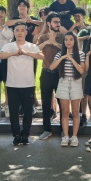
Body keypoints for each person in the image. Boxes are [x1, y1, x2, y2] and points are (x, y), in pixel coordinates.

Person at [0, 22, 45, 145]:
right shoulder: (9, 46)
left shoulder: (31, 46)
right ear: (14, 32)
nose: (19, 32)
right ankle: (16, 135)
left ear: (26, 32)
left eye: (22, 30)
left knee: (28, 112)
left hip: (28, 84)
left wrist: (26, 53)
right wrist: (13, 53)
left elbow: (41, 56)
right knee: (13, 112)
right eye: (17, 30)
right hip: (12, 84)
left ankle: (25, 134)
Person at [50, 32, 85, 147]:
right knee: (65, 112)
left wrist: (71, 58)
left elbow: (81, 70)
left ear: (75, 41)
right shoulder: (60, 54)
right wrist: (63, 57)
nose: (68, 42)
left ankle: (74, 136)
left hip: (76, 83)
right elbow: (52, 67)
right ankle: (65, 136)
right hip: (63, 83)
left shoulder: (80, 54)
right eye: (66, 40)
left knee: (75, 112)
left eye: (71, 39)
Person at [36, 12, 63, 140]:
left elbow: (68, 50)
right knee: (46, 103)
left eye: (59, 22)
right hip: (46, 73)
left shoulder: (63, 37)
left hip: (60, 74)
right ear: (48, 23)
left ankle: (64, 130)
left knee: (62, 103)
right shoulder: (43, 37)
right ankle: (47, 129)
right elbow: (35, 50)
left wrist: (55, 43)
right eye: (55, 22)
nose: (58, 24)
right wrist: (47, 42)